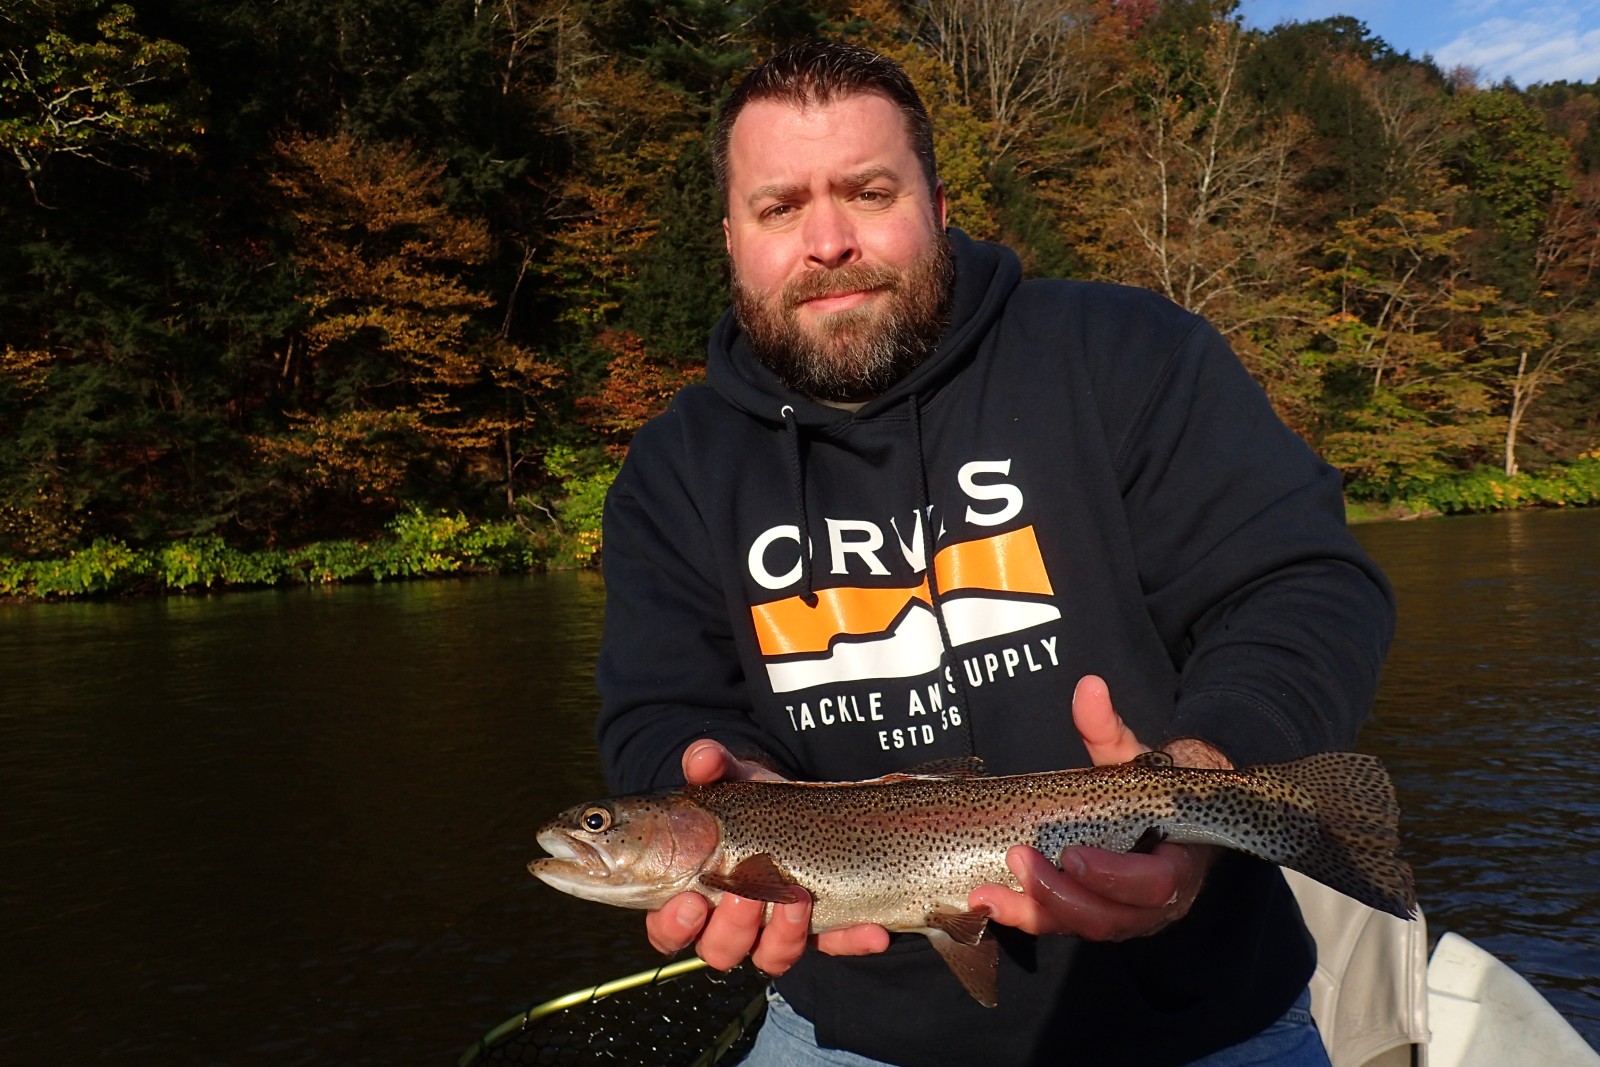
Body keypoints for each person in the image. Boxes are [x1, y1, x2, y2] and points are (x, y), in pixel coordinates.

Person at [594, 39, 1394, 1067]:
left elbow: (1302, 583)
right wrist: (704, 773)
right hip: (842, 1026)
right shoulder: (672, 469)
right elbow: (659, 704)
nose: (826, 239)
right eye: (779, 206)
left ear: (933, 198)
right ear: (730, 235)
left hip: (1202, 1012)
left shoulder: (1125, 353)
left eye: (867, 190)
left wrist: (1202, 778)